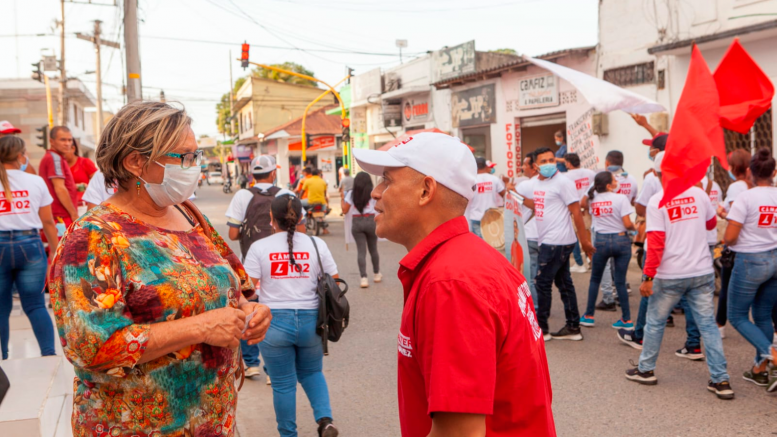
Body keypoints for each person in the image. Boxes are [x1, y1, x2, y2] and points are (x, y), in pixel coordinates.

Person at [49, 101, 272, 436]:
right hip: (140, 426)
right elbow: (93, 347)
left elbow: (233, 284)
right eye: (183, 157)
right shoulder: (93, 238)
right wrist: (200, 327)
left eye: (196, 156)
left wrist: (250, 310)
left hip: (210, 418)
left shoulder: (187, 213)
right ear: (136, 162)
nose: (194, 167)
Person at [353, 132, 556, 436]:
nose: (375, 193)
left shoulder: (450, 282)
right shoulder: (464, 260)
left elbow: (459, 432)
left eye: (387, 180)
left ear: (426, 190)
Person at [626, 152, 733, 400]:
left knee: (655, 322)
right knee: (708, 325)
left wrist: (648, 277)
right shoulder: (699, 194)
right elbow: (709, 226)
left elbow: (655, 243)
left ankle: (646, 370)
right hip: (701, 272)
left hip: (669, 274)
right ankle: (721, 380)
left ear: (657, 174)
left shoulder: (657, 201)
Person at [243, 195, 340, 437]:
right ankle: (325, 421)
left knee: (283, 384)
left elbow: (248, 290)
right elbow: (335, 282)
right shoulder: (316, 244)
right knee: (312, 372)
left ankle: (288, 434)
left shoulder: (259, 248)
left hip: (273, 322)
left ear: (271, 219)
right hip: (312, 322)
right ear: (301, 218)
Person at [225, 155, 299, 382]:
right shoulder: (287, 194)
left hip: (252, 261)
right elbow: (300, 233)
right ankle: (273, 368)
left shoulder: (243, 195)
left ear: (252, 175)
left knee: (251, 309)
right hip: (283, 263)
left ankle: (252, 364)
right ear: (273, 173)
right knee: (276, 310)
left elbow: (233, 234)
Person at [523, 147, 594, 341]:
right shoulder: (538, 183)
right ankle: (573, 327)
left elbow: (577, 212)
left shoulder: (563, 182)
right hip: (549, 240)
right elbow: (539, 205)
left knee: (542, 283)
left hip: (557, 241)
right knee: (564, 284)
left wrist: (585, 242)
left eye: (551, 159)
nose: (549, 164)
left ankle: (542, 329)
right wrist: (519, 198)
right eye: (544, 161)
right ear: (536, 166)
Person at [0, 136, 59, 360]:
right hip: (30, 246)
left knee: (1, 308)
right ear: (19, 156)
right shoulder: (35, 182)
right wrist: (55, 251)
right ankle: (48, 354)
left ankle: (3, 357)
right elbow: (48, 222)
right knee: (35, 304)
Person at [723, 148, 777, 391]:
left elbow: (730, 239)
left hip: (750, 262)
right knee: (763, 315)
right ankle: (759, 370)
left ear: (749, 172)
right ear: (774, 172)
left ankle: (773, 356)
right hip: (775, 259)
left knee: (736, 315)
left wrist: (729, 221)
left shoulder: (745, 198)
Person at [579, 171, 635, 328]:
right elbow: (627, 223)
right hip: (621, 240)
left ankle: (589, 316)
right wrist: (635, 228)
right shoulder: (621, 198)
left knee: (595, 279)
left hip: (601, 241)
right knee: (620, 282)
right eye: (614, 179)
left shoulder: (593, 199)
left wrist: (593, 187)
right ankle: (626, 319)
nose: (617, 180)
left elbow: (582, 204)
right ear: (609, 185)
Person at [716, 149, 753, 338]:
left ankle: (720, 325)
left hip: (738, 244)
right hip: (760, 246)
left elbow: (735, 216)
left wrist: (721, 213)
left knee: (727, 288)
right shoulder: (757, 185)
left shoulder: (736, 187)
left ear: (735, 167)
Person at [341, 172, 381, 288]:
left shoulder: (351, 193)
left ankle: (364, 278)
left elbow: (344, 210)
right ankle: (376, 273)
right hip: (371, 221)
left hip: (357, 223)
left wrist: (342, 199)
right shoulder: (373, 192)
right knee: (373, 249)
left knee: (361, 251)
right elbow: (379, 207)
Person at [38, 126, 78, 228]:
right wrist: (73, 214)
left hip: (58, 216)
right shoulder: (55, 158)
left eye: (70, 140)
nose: (67, 143)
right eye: (63, 140)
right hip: (61, 217)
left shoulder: (54, 157)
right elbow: (60, 188)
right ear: (52, 141)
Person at [563, 152, 596, 273]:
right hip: (588, 208)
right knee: (589, 235)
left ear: (568, 163)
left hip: (574, 209)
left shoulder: (565, 177)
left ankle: (579, 262)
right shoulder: (591, 173)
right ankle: (592, 259)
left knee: (574, 236)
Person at [516, 153, 540, 311]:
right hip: (546, 237)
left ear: (533, 167)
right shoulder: (548, 185)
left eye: (525, 164)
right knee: (541, 278)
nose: (523, 167)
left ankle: (535, 309)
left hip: (529, 236)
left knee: (529, 277)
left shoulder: (524, 186)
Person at [465, 157, 506, 238]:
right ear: (486, 166)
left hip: (475, 217)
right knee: (490, 243)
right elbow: (505, 195)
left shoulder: (471, 180)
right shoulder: (494, 179)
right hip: (491, 216)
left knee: (479, 246)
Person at [63, 140, 98, 212]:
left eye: (64, 151)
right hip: (65, 207)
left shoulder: (85, 162)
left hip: (83, 206)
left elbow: (99, 184)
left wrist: (85, 187)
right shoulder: (59, 166)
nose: (62, 155)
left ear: (73, 148)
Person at [299, 169, 330, 234]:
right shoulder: (323, 181)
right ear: (318, 174)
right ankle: (324, 227)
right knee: (322, 215)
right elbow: (324, 193)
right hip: (321, 202)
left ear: (312, 174)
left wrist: (299, 198)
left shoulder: (308, 181)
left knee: (300, 203)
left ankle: (303, 218)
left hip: (310, 202)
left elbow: (302, 191)